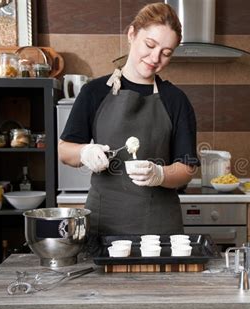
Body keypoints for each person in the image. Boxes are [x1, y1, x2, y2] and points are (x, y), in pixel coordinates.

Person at [58, 3, 199, 247]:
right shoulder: (94, 92)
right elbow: (64, 150)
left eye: (166, 53)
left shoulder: (176, 100)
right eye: (150, 45)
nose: (155, 58)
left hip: (160, 233)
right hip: (103, 229)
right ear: (132, 34)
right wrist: (84, 152)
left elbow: (187, 168)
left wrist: (160, 174)